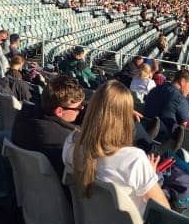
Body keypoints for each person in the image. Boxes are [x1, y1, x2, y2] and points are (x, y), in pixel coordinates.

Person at [62, 81, 170, 215]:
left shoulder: (71, 142)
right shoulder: (134, 159)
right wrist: (152, 174)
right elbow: (165, 212)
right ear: (126, 117)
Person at [11, 75, 85, 177]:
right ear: (59, 111)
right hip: (54, 190)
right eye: (78, 108)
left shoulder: (23, 116)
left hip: (28, 183)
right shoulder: (64, 141)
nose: (81, 109)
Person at [142, 68, 189, 138]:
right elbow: (187, 127)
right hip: (162, 141)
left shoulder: (154, 90)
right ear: (182, 82)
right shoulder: (180, 99)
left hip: (143, 133)